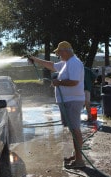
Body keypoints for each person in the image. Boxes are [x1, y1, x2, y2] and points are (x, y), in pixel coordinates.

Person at [28, 41, 85, 169]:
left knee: (75, 129)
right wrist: (35, 59)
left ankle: (80, 161)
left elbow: (74, 82)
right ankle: (76, 156)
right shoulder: (66, 63)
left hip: (72, 101)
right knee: (72, 129)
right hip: (68, 101)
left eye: (59, 53)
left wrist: (58, 82)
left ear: (65, 51)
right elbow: (52, 65)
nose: (58, 55)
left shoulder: (74, 63)